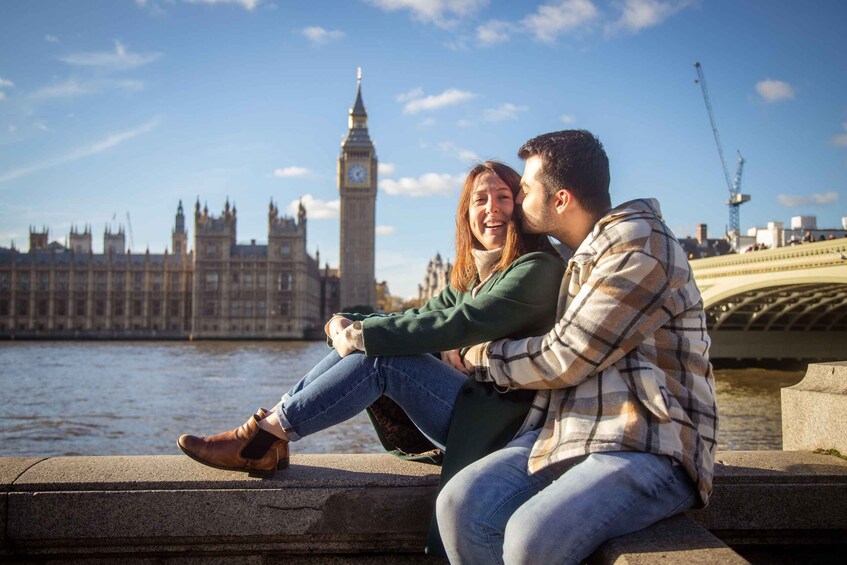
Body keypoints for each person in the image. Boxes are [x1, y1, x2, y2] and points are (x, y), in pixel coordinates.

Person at [177, 161, 566, 478]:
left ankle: (261, 441)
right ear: (466, 213)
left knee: (381, 355)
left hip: (505, 430)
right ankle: (268, 435)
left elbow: (464, 321)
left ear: (521, 207)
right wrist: (348, 320)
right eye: (480, 199)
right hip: (474, 411)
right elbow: (418, 317)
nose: (491, 208)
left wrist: (366, 333)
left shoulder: (536, 268)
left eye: (503, 197)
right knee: (370, 342)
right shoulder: (472, 277)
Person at [437, 130, 718, 564]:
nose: (517, 198)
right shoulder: (576, 259)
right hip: (570, 436)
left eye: (525, 190)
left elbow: (565, 356)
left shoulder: (639, 242)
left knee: (530, 537)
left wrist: (480, 356)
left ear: (561, 199)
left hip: (648, 443)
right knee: (460, 504)